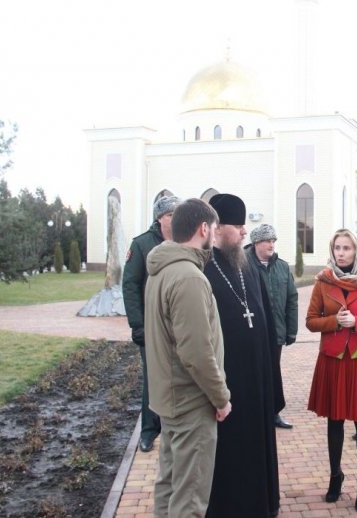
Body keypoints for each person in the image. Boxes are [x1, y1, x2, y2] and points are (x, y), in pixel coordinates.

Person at [144, 198, 232, 517]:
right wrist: (220, 397)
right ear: (204, 229)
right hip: (190, 402)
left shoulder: (161, 271)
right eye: (214, 228)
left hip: (170, 398)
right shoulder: (189, 277)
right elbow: (196, 352)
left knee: (169, 485)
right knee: (190, 497)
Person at [203, 193, 284, 518]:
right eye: (237, 226)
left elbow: (262, 316)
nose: (244, 232)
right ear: (216, 228)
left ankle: (262, 504)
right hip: (228, 380)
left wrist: (271, 376)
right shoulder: (203, 268)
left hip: (257, 377)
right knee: (230, 451)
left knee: (257, 445)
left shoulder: (246, 264)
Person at [306, 228, 357, 513]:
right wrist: (334, 321)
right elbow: (310, 321)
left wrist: (356, 321)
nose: (341, 253)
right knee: (334, 422)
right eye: (337, 248)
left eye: (346, 248)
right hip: (332, 360)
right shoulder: (323, 281)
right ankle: (335, 476)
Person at [122, 194, 180, 452]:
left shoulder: (183, 241)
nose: (175, 218)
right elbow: (130, 285)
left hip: (178, 323)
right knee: (153, 377)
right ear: (160, 218)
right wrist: (138, 325)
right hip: (151, 325)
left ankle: (174, 424)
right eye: (170, 215)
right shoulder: (142, 244)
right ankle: (149, 430)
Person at [245, 223, 298, 430]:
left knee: (273, 373)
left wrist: (291, 330)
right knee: (252, 374)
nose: (271, 244)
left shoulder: (282, 267)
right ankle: (254, 414)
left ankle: (274, 413)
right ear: (256, 242)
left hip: (276, 333)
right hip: (252, 333)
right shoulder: (242, 265)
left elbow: (292, 300)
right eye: (267, 240)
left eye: (274, 240)